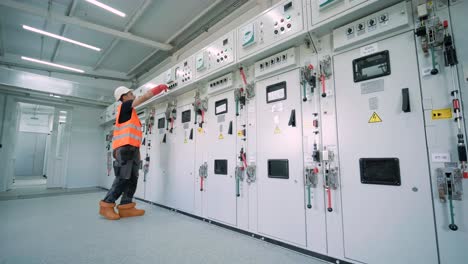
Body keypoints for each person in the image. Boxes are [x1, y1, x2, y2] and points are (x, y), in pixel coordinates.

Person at [99, 84, 168, 220]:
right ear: (124, 97)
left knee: (132, 178)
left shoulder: (130, 112)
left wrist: (137, 151)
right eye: (131, 93)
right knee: (122, 179)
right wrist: (158, 89)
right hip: (125, 149)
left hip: (132, 149)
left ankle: (126, 207)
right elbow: (145, 97)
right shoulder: (125, 106)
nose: (133, 95)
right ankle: (106, 205)